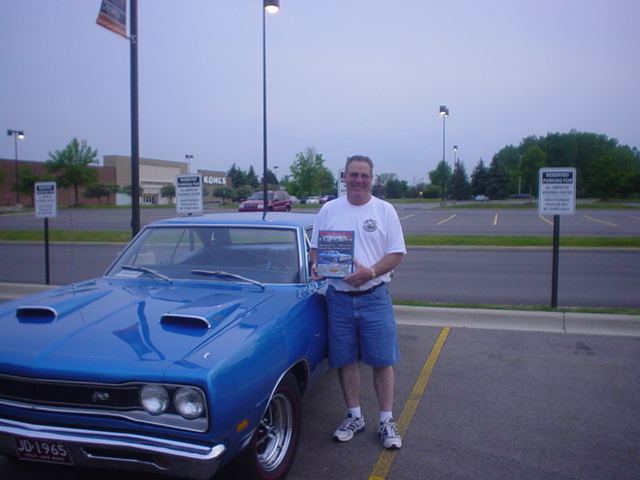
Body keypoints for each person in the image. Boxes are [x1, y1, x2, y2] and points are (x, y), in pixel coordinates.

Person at [310, 155, 406, 449]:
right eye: (353, 174)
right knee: (345, 360)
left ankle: (386, 420)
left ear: (372, 178)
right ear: (344, 176)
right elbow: (316, 250)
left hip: (374, 297)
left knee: (382, 360)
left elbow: (397, 254)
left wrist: (370, 272)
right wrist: (317, 266)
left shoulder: (384, 210)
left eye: (364, 175)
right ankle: (355, 416)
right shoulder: (329, 210)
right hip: (338, 299)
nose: (359, 180)